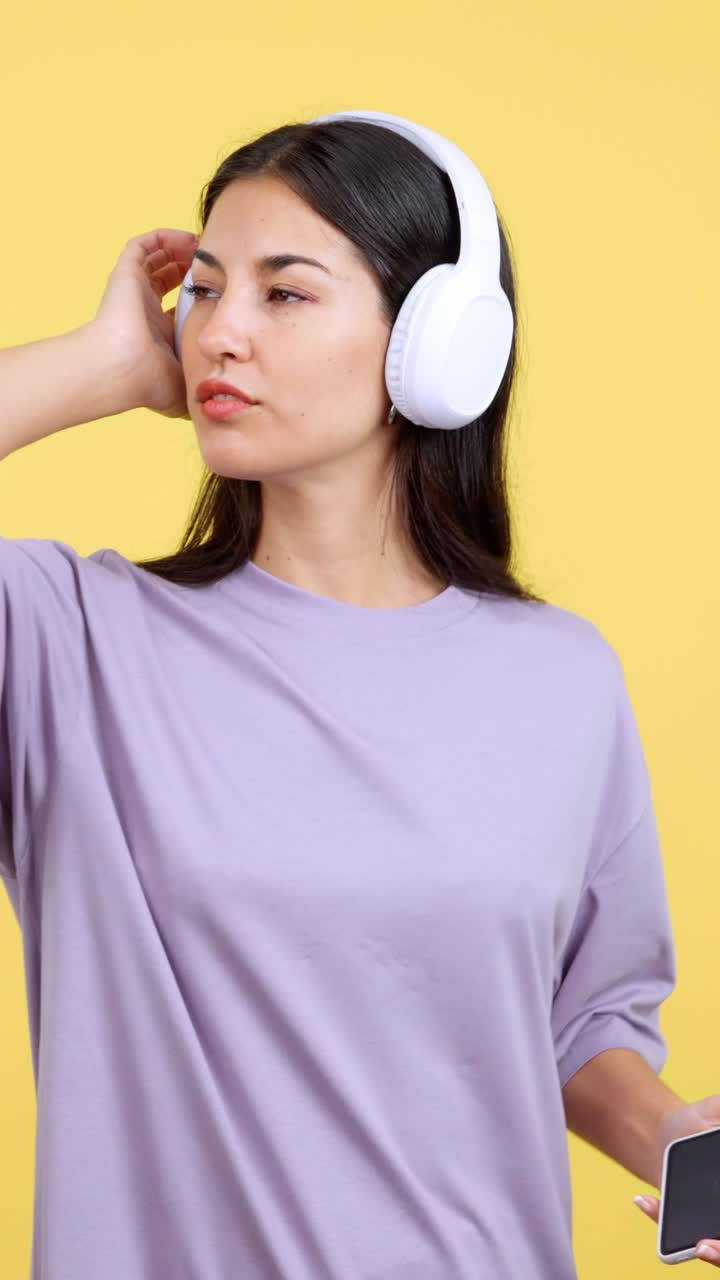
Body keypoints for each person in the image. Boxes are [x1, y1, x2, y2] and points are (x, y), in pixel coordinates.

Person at [0, 116, 718, 1279]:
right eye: (206, 289)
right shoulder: (66, 641)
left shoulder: (562, 677)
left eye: (286, 296)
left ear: (436, 346)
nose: (219, 333)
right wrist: (103, 363)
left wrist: (680, 1141)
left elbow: (580, 1022)